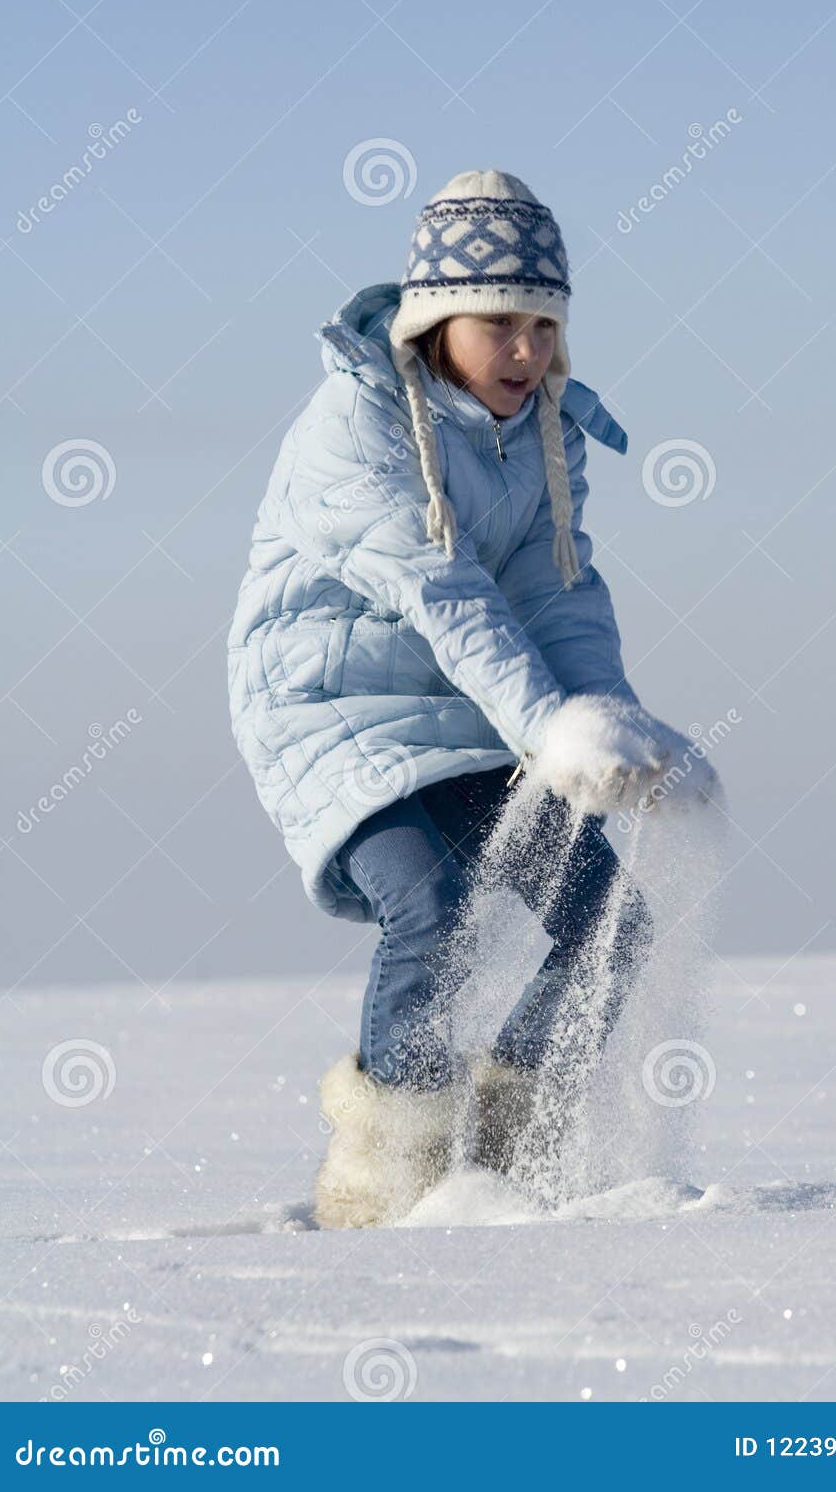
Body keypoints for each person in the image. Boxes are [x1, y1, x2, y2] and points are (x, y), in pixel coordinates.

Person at [227, 169, 720, 1226]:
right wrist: (552, 727)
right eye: (499, 321)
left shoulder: (547, 433)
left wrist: (614, 733)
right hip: (333, 708)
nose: (527, 349)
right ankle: (385, 1178)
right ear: (435, 317)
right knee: (433, 905)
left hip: (473, 712)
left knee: (606, 920)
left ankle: (501, 1158)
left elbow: (558, 597)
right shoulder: (353, 422)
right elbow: (440, 589)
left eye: (544, 323)